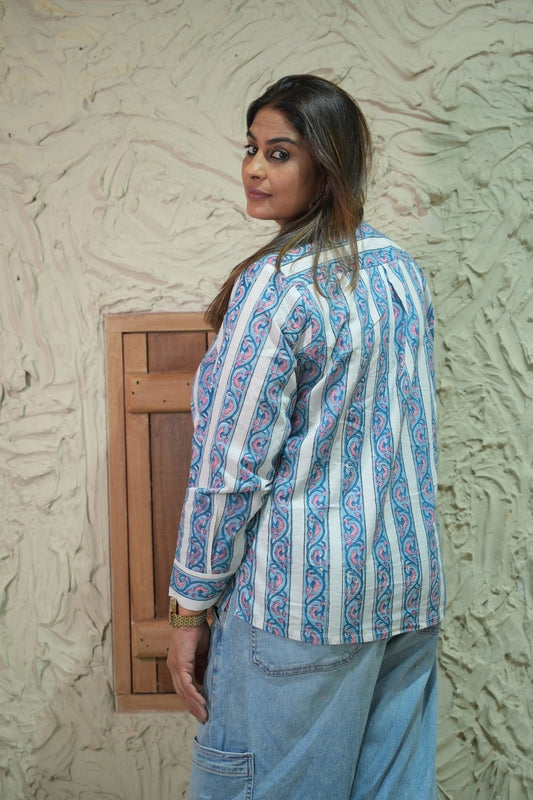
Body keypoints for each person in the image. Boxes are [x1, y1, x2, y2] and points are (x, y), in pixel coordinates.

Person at [167, 74, 446, 800]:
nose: (255, 169)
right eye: (251, 149)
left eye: (280, 153)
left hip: (302, 608)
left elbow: (229, 470)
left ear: (328, 163)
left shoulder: (279, 286)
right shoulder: (398, 270)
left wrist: (188, 607)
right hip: (404, 589)